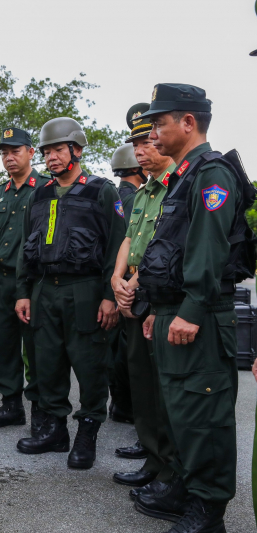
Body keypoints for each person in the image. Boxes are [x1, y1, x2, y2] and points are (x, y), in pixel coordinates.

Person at [136, 83, 251, 531]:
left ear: (188, 122)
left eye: (159, 124)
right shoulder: (183, 175)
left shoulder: (212, 173)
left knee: (205, 415)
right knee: (180, 410)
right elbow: (169, 250)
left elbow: (208, 250)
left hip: (198, 313)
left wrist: (191, 309)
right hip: (175, 309)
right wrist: (156, 307)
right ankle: (185, 486)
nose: (153, 134)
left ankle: (208, 510)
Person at [14, 117, 126, 470]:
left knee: (90, 366)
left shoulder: (101, 191)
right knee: (48, 364)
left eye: (58, 150)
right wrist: (24, 291)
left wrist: (110, 296)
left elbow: (117, 247)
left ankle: (87, 434)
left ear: (76, 150)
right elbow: (26, 247)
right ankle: (55, 430)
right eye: (47, 152)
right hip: (45, 288)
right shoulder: (39, 194)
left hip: (85, 289)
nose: (52, 157)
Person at [109, 103, 178, 497]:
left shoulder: (178, 185)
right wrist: (117, 278)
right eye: (135, 144)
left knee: (163, 386)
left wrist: (133, 283)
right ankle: (152, 459)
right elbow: (129, 238)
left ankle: (169, 468)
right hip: (134, 293)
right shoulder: (143, 192)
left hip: (158, 293)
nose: (140, 150)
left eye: (146, 141)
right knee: (141, 381)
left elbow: (164, 245)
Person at [0, 127, 49, 434]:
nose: (9, 157)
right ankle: (11, 406)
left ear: (31, 152)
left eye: (15, 151)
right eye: (4, 153)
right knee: (4, 345)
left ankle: (40, 411)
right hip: (1, 278)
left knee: (36, 347)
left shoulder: (46, 187)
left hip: (33, 281)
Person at [106, 142, 149, 426]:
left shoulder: (113, 195)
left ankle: (119, 404)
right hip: (130, 283)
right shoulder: (136, 199)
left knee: (115, 348)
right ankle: (128, 407)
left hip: (113, 282)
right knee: (130, 350)